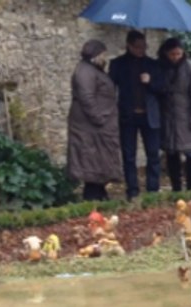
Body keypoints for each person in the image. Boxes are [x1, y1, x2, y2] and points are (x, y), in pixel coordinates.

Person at [109, 30, 166, 200]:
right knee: (129, 155)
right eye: (137, 47)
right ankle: (132, 190)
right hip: (128, 115)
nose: (141, 50)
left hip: (150, 116)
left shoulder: (153, 65)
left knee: (153, 154)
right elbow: (110, 88)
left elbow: (163, 89)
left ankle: (153, 189)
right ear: (129, 45)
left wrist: (150, 82)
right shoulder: (117, 64)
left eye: (144, 47)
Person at [67, 40, 122, 201]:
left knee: (99, 160)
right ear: (96, 55)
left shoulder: (92, 70)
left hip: (98, 125)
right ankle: (92, 194)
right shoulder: (85, 72)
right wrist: (98, 117)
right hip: (90, 125)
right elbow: (87, 97)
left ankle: (99, 192)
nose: (105, 58)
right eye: (103, 55)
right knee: (91, 160)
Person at [158, 37, 191, 191]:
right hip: (169, 117)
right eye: (172, 54)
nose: (176, 57)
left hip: (187, 115)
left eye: (178, 54)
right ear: (166, 54)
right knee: (172, 153)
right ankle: (176, 187)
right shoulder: (162, 68)